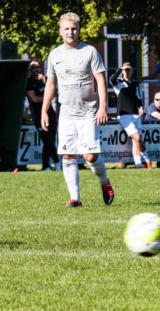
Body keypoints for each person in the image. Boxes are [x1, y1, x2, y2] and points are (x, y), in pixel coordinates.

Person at [41, 12, 114, 207]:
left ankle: (104, 182)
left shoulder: (90, 51)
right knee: (68, 155)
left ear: (79, 29)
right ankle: (76, 198)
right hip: (66, 115)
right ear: (60, 31)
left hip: (89, 112)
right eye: (66, 29)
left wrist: (103, 108)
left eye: (74, 28)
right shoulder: (54, 54)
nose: (70, 32)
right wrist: (44, 110)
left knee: (90, 156)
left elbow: (100, 80)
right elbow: (50, 84)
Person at [109, 62, 152, 169]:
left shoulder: (134, 83)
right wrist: (120, 68)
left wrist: (141, 106)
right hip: (124, 115)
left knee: (137, 139)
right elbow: (111, 79)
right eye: (125, 70)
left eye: (129, 69)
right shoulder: (118, 83)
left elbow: (138, 97)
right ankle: (144, 161)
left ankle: (142, 163)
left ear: (132, 71)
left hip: (135, 115)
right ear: (122, 71)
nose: (127, 72)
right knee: (137, 137)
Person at [25, 60, 60, 171]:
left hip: (51, 114)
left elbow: (54, 94)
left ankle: (45, 166)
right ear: (30, 70)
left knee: (50, 141)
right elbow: (34, 99)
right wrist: (46, 99)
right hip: (38, 116)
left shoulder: (45, 80)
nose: (36, 69)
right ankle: (58, 161)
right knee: (47, 140)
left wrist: (46, 81)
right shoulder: (29, 82)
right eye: (33, 67)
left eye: (37, 67)